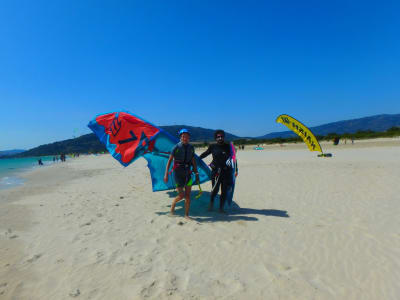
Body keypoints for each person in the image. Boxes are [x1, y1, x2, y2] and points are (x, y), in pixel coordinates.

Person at [164, 129, 200, 220]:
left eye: (187, 136)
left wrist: (196, 173)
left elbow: (193, 161)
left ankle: (186, 215)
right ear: (180, 137)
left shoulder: (191, 148)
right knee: (181, 195)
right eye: (183, 136)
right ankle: (173, 204)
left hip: (188, 174)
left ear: (189, 138)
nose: (185, 138)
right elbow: (169, 161)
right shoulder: (176, 147)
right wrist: (166, 174)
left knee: (188, 196)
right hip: (178, 174)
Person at [199, 130, 238, 213]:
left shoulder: (228, 146)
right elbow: (205, 154)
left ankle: (221, 208)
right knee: (214, 190)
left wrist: (236, 170)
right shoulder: (212, 146)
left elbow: (234, 159)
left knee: (224, 191)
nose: (220, 138)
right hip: (216, 172)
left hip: (226, 173)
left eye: (221, 136)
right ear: (216, 138)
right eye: (218, 137)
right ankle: (211, 205)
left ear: (224, 137)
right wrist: (196, 159)